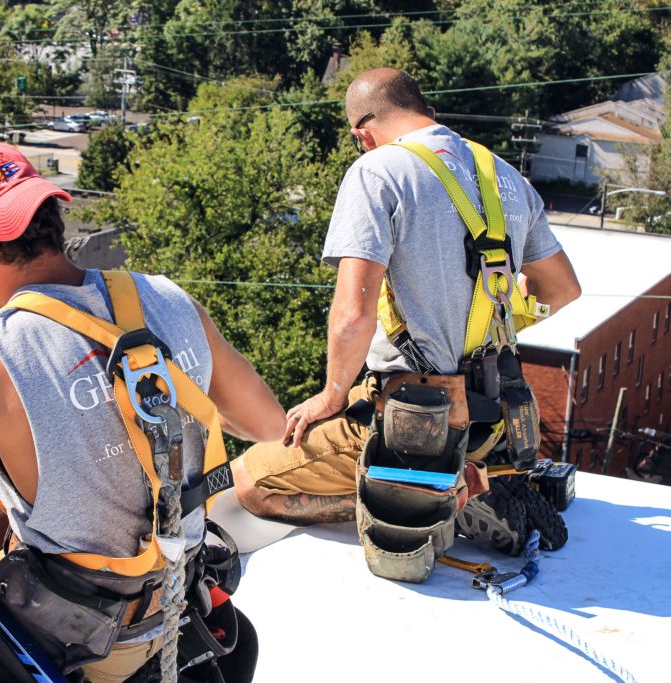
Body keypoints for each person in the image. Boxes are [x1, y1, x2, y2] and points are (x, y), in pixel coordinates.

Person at [0, 143, 287, 683]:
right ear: (52, 218)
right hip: (186, 612)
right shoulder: (170, 302)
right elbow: (268, 425)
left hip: (89, 650)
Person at [232, 67, 581, 526]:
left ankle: (439, 501)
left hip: (413, 419)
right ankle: (469, 477)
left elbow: (354, 316)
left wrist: (331, 395)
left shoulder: (377, 171)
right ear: (429, 114)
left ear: (364, 135)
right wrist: (475, 323)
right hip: (491, 413)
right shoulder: (506, 177)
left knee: (249, 484)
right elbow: (563, 289)